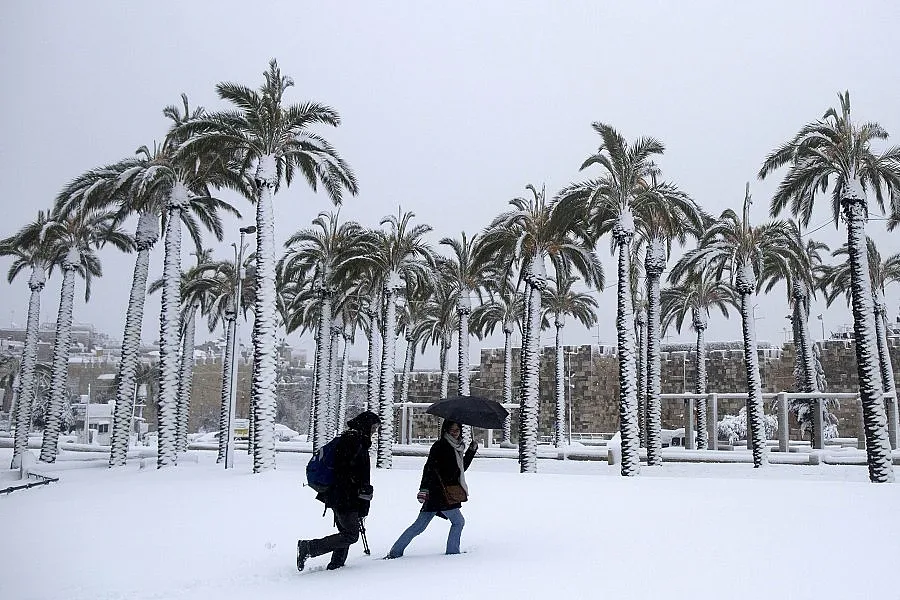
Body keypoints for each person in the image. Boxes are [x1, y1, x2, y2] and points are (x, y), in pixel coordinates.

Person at [296, 410, 381, 571]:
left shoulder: (356, 440)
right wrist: (359, 488)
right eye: (374, 427)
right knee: (351, 535)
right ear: (365, 425)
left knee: (345, 531)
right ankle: (309, 548)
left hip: (344, 494)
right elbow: (345, 471)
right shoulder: (352, 441)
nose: (375, 430)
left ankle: (336, 565)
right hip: (344, 496)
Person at [386, 419, 477, 558]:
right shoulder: (440, 446)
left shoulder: (457, 447)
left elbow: (461, 468)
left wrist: (471, 451)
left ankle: (396, 552)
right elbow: (428, 468)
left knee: (419, 526)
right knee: (458, 522)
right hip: (440, 492)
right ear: (446, 430)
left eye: (457, 430)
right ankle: (452, 552)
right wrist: (424, 488)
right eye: (452, 430)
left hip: (444, 492)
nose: (455, 433)